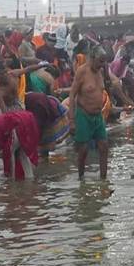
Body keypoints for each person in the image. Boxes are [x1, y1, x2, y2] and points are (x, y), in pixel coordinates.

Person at [68, 45, 109, 180]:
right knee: (83, 150)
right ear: (92, 58)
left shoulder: (100, 71)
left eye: (104, 61)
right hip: (83, 114)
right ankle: (81, 177)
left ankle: (104, 179)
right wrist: (72, 120)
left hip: (98, 116)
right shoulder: (82, 71)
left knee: (104, 147)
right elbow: (72, 94)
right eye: (100, 61)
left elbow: (103, 90)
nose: (102, 65)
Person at [25, 92, 70, 158]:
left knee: (47, 144)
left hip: (48, 109)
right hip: (46, 106)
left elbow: (38, 130)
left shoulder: (39, 109)